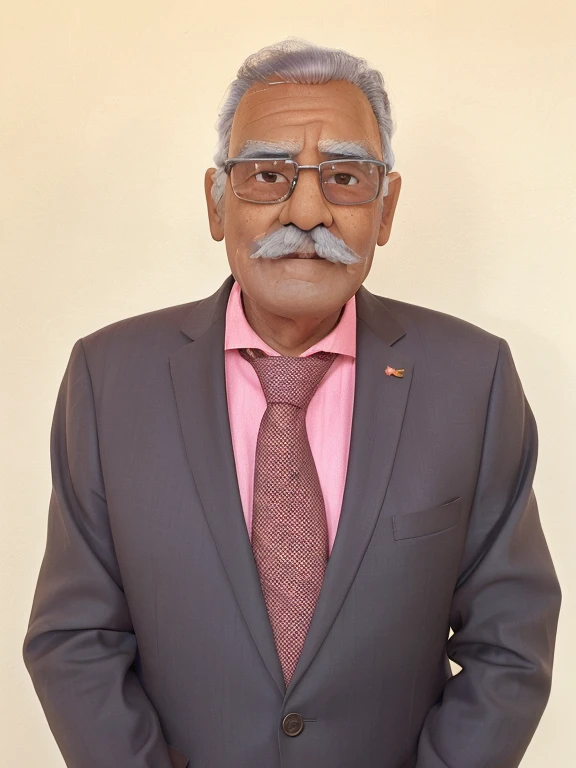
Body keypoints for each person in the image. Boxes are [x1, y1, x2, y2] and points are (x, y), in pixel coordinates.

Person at [23, 39, 561, 768]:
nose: (307, 209)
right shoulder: (108, 377)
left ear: (386, 206)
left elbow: (510, 645)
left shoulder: (474, 378)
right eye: (267, 174)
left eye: (344, 176)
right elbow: (74, 639)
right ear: (217, 203)